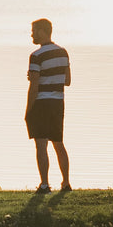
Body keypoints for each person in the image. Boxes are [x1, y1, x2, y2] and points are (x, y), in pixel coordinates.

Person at [26, 18, 72, 194]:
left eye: (34, 31)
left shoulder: (36, 55)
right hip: (58, 101)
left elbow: (34, 86)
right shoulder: (63, 52)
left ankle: (44, 184)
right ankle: (66, 182)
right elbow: (67, 81)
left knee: (41, 145)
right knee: (58, 143)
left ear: (42, 31)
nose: (32, 34)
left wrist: (28, 109)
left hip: (41, 102)